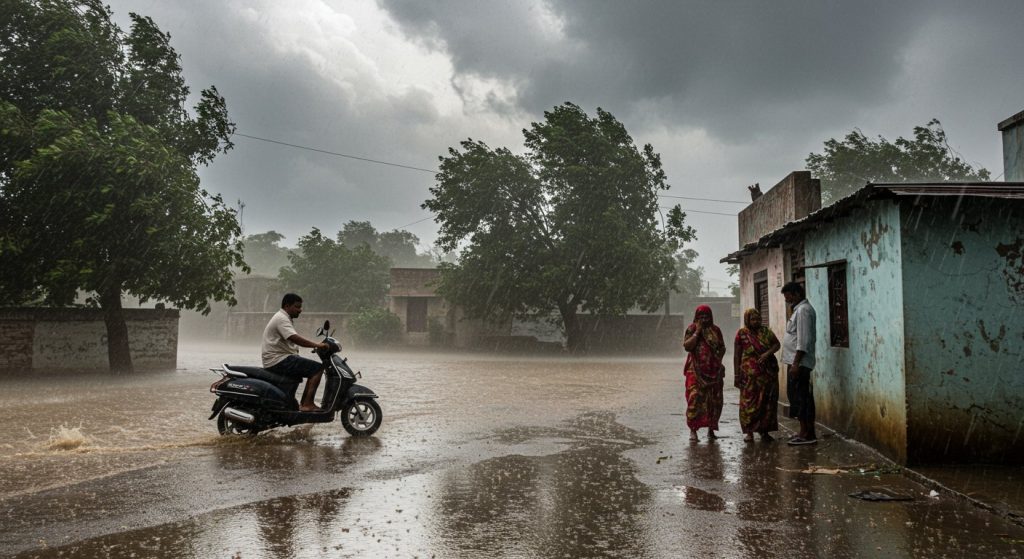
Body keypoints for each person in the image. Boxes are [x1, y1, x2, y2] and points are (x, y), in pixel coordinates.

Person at [262, 293, 329, 412]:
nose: (300, 310)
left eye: (300, 307)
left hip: (278, 358)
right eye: (297, 307)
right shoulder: (281, 318)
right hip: (279, 359)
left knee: (306, 370)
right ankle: (307, 404)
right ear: (287, 306)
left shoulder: (284, 318)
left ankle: (297, 405)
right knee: (317, 369)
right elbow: (294, 338)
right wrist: (317, 345)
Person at [733, 308, 781, 442]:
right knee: (749, 403)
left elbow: (777, 344)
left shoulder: (766, 332)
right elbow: (737, 355)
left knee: (767, 403)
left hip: (767, 375)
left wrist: (767, 354)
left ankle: (764, 432)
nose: (756, 321)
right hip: (749, 376)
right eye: (753, 319)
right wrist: (736, 375)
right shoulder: (742, 334)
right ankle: (749, 432)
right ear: (747, 320)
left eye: (758, 319)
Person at [682, 305, 726, 442]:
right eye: (701, 317)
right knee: (694, 399)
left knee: (714, 401)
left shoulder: (716, 330)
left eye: (706, 317)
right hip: (695, 371)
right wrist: (698, 332)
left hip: (714, 371)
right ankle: (693, 431)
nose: (704, 319)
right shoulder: (691, 328)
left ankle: (711, 430)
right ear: (696, 317)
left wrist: (717, 360)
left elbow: (722, 347)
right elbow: (687, 346)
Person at [781, 282, 817, 445]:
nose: (787, 300)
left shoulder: (803, 311)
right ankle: (804, 431)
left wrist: (795, 364)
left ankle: (807, 434)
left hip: (800, 363)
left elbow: (803, 340)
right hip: (796, 362)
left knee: (802, 398)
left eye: (788, 296)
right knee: (798, 397)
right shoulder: (798, 310)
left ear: (796, 294)